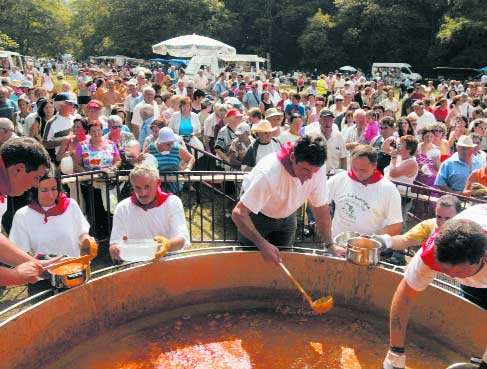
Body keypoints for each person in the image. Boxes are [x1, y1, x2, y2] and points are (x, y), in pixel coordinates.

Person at [383, 205, 487, 369]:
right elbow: (405, 296)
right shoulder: (430, 253)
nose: (451, 276)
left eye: (460, 272)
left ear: (483, 257)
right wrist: (395, 354)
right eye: (445, 270)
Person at [232, 133, 341, 265]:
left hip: (288, 218)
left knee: (283, 262)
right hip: (256, 216)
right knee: (251, 263)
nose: (311, 176)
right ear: (292, 157)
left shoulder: (317, 166)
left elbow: (320, 207)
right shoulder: (269, 174)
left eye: (315, 170)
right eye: (305, 169)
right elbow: (239, 213)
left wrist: (330, 244)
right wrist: (262, 244)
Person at [9, 168, 91, 294]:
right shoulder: (23, 215)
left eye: (54, 189)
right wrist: (40, 265)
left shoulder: (71, 206)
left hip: (73, 274)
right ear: (34, 189)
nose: (51, 195)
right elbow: (20, 252)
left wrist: (87, 241)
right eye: (44, 190)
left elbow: (82, 233)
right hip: (41, 280)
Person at [0, 137, 57, 286]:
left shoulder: (3, 194)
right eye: (36, 177)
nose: (35, 185)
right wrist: (14, 276)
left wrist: (36, 264)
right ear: (18, 169)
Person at [109, 165, 190, 261]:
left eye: (147, 187)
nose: (142, 193)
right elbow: (114, 244)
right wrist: (115, 250)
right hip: (137, 265)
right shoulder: (122, 208)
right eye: (137, 188)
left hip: (169, 262)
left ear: (158, 183)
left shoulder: (172, 202)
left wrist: (167, 245)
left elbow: (181, 240)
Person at [326, 145, 403, 238]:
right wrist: (325, 223)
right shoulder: (339, 179)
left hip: (367, 248)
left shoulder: (388, 189)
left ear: (375, 165)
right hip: (336, 243)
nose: (357, 173)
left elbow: (396, 226)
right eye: (354, 168)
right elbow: (319, 202)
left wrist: (370, 238)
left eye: (363, 170)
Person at [375, 194, 461, 252]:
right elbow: (406, 240)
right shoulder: (429, 225)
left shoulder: (466, 231)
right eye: (439, 217)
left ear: (458, 216)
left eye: (447, 219)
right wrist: (385, 241)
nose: (442, 222)